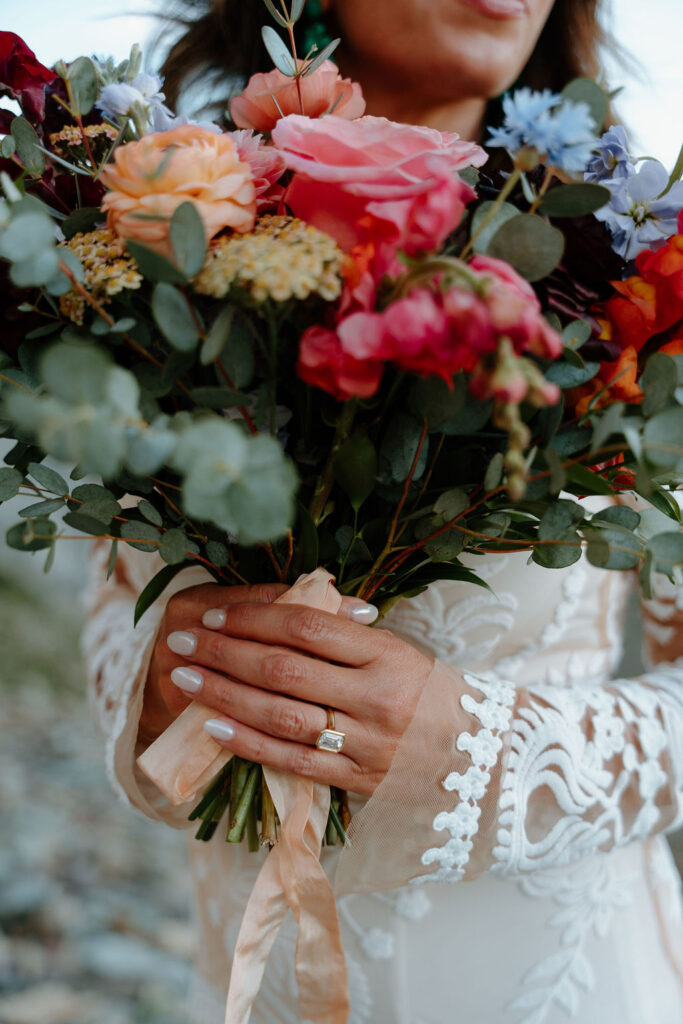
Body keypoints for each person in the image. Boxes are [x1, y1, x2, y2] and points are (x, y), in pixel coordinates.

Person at [83, 2, 683, 1022]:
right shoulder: (170, 233)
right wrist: (155, 680)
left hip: (564, 980)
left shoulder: (640, 277)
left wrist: (486, 753)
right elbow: (116, 605)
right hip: (254, 975)